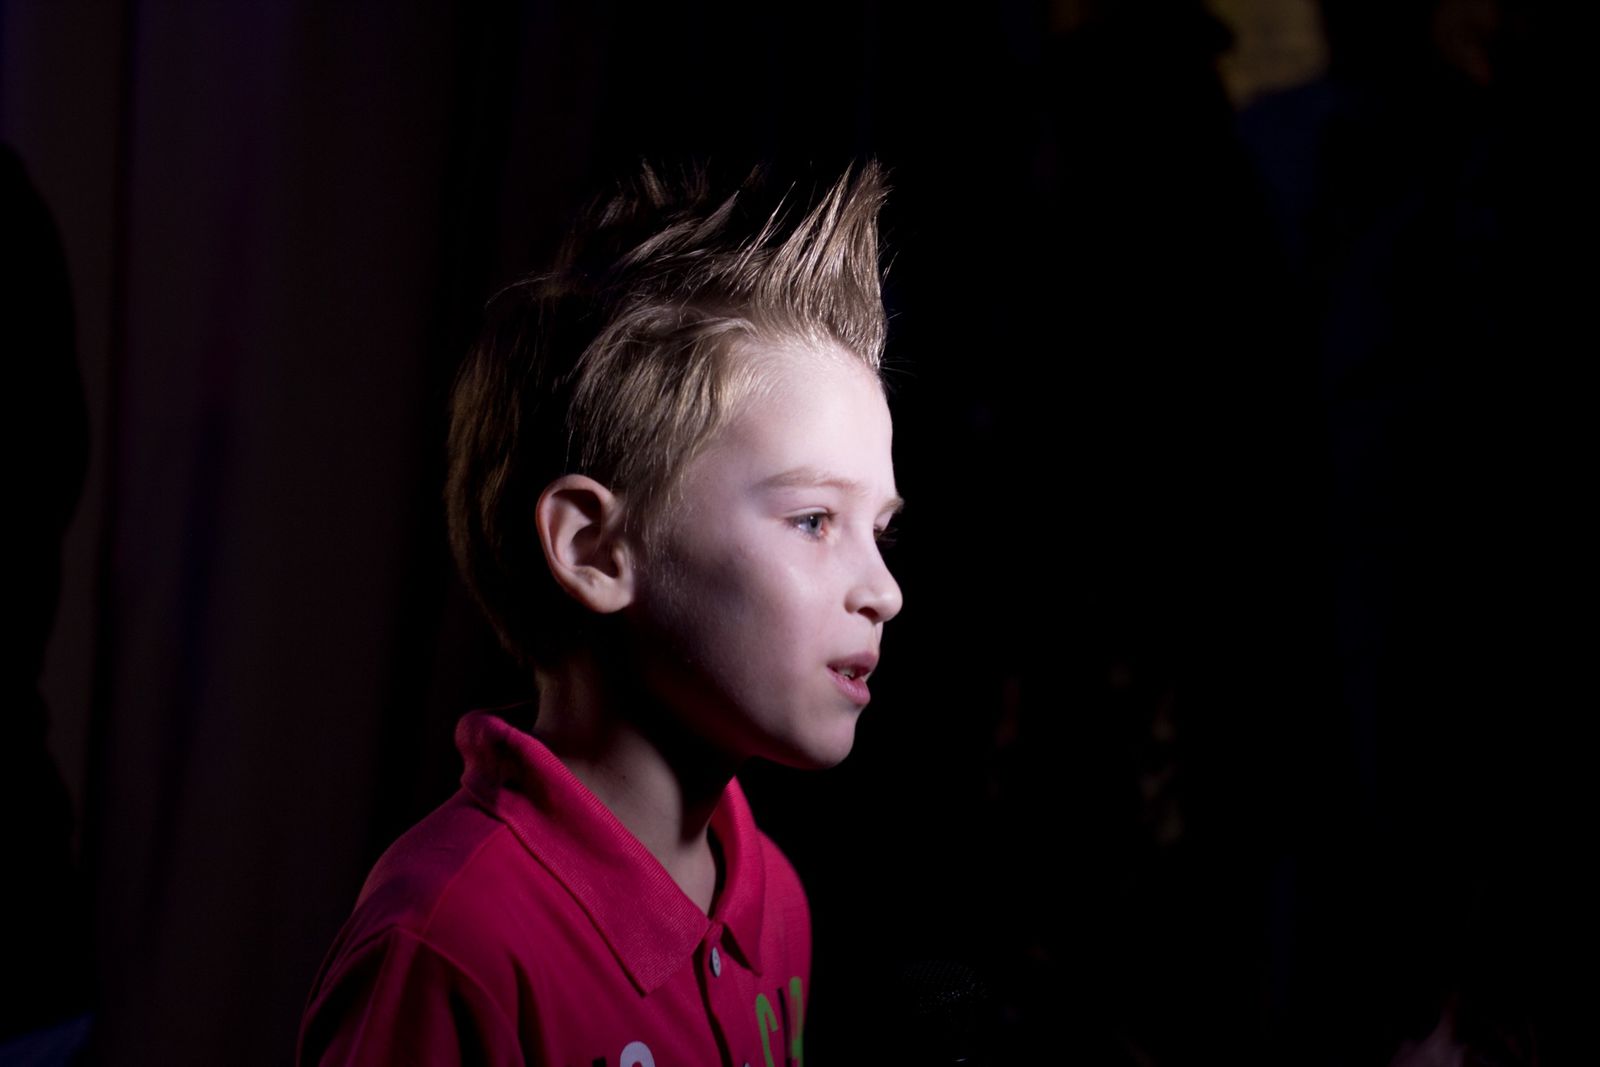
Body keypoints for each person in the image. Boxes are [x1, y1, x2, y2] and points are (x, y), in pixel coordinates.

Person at [297, 158, 905, 1066]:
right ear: (594, 548)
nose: (885, 591)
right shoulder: (451, 942)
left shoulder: (777, 904)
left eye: (880, 529)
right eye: (814, 520)